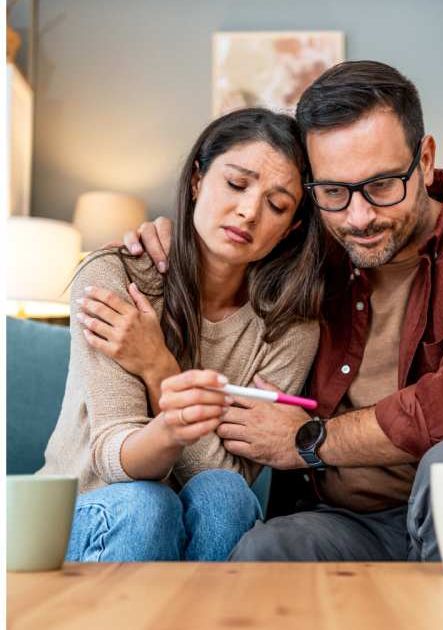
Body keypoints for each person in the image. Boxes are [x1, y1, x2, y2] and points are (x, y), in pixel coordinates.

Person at [126, 60, 443, 561]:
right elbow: (229, 254)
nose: (359, 216)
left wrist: (311, 441)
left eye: (383, 185)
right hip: (346, 525)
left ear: (427, 159)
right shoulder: (310, 249)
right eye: (333, 192)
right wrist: (168, 243)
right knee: (269, 550)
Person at [38, 107, 323, 561]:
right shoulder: (115, 276)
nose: (249, 211)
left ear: (291, 230)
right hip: (81, 515)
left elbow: (229, 475)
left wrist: (159, 368)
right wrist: (179, 420)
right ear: (196, 182)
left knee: (224, 495)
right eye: (235, 184)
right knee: (147, 505)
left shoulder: (291, 328)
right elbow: (112, 457)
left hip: (190, 525)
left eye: (277, 205)